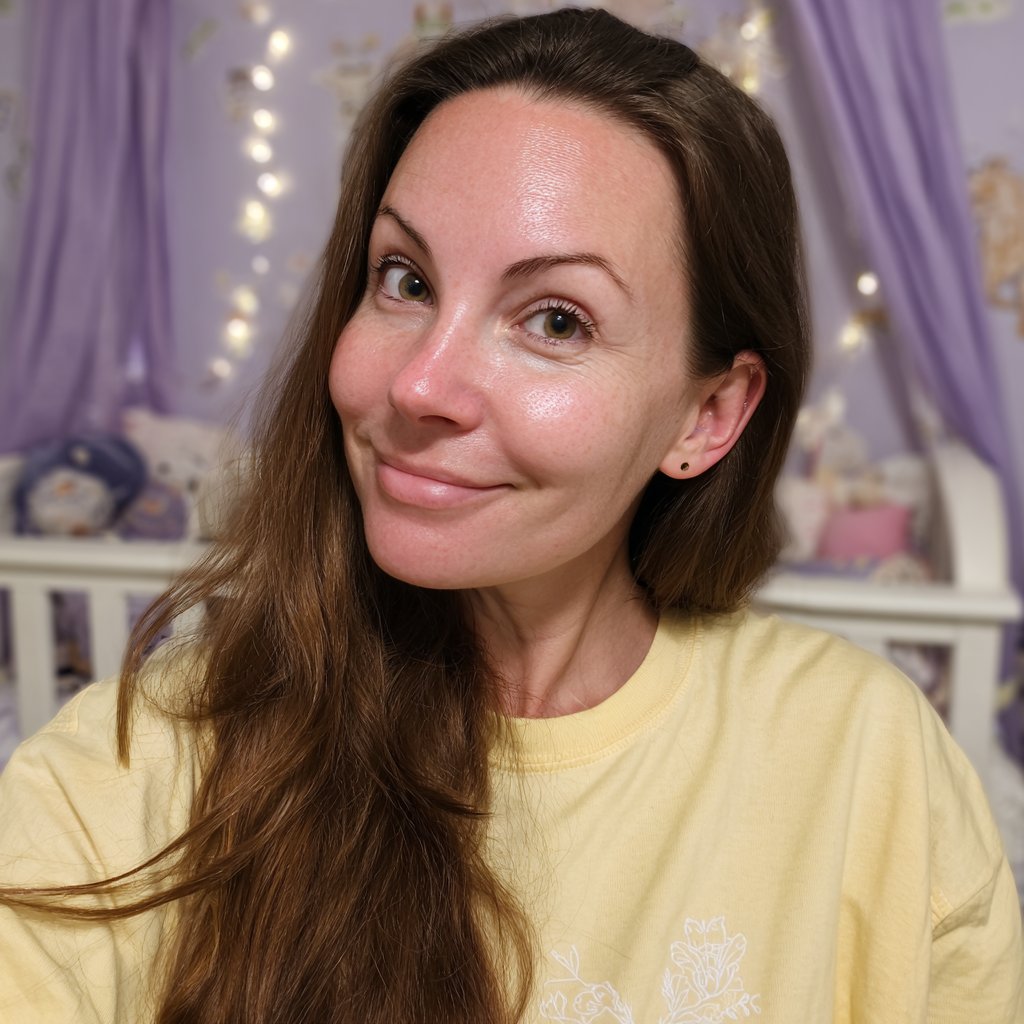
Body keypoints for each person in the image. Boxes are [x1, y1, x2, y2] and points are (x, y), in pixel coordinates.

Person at [1, 8, 1021, 1023]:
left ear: (709, 415)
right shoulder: (141, 770)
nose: (419, 385)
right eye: (404, 280)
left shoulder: (864, 760)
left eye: (554, 320)